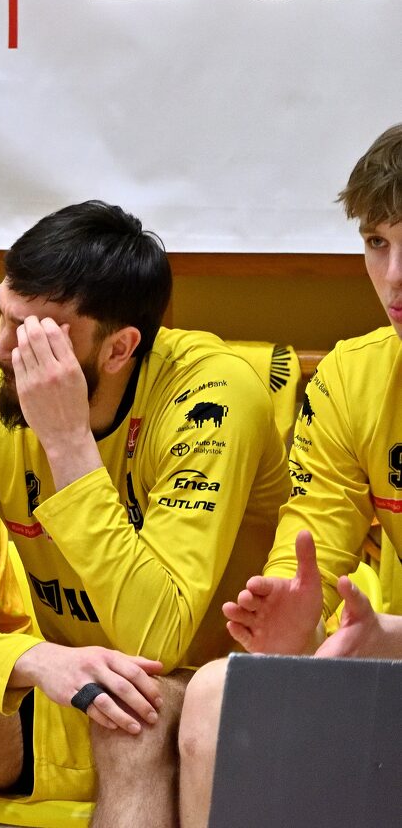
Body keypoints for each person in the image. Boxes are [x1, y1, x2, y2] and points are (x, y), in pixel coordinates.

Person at [0, 201, 288, 828]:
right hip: (67, 682)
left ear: (119, 349)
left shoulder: (213, 394)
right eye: (2, 316)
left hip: (200, 693)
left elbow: (156, 640)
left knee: (131, 720)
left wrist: (69, 447)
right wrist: (38, 660)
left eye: (33, 336)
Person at [179, 125, 402, 828]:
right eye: (377, 243)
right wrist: (293, 613)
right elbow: (313, 545)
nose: (394, 276)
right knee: (217, 693)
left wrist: (392, 638)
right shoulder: (354, 377)